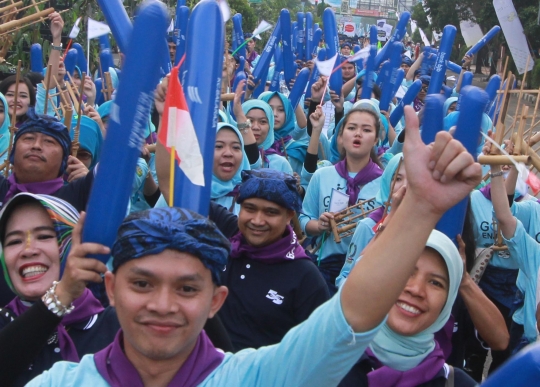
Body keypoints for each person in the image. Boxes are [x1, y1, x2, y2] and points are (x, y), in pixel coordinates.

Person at [26, 104, 481, 387]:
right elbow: (170, 178)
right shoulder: (60, 383)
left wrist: (419, 210)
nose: (162, 305)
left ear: (215, 299)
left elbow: (351, 316)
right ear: (110, 287)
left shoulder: (256, 377)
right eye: (142, 283)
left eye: (187, 289)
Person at [0, 193, 119, 386]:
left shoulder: (118, 324)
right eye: (14, 241)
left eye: (45, 236)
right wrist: (61, 295)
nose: (29, 250)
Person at [338, 230, 477, 386]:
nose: (416, 289)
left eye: (436, 283)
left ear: (448, 301)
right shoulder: (325, 362)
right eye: (406, 270)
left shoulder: (455, 383)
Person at [218, 169, 329, 350]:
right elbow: (177, 186)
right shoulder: (225, 244)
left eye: (271, 212)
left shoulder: (305, 278)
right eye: (250, 209)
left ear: (288, 216)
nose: (258, 221)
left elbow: (316, 350)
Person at [299, 104, 383, 294]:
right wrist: (319, 226)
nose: (358, 134)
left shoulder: (385, 184)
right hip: (326, 266)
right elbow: (303, 218)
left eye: (366, 130)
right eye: (352, 128)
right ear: (341, 136)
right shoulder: (322, 175)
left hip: (368, 269)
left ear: (376, 139)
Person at [0, 108, 92, 211]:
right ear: (12, 151)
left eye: (49, 141)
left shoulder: (80, 195)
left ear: (64, 159)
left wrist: (94, 184)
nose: (36, 146)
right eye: (29, 138)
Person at [211, 123, 252, 214]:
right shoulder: (188, 195)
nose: (228, 153)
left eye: (235, 147)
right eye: (219, 146)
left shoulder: (251, 197)